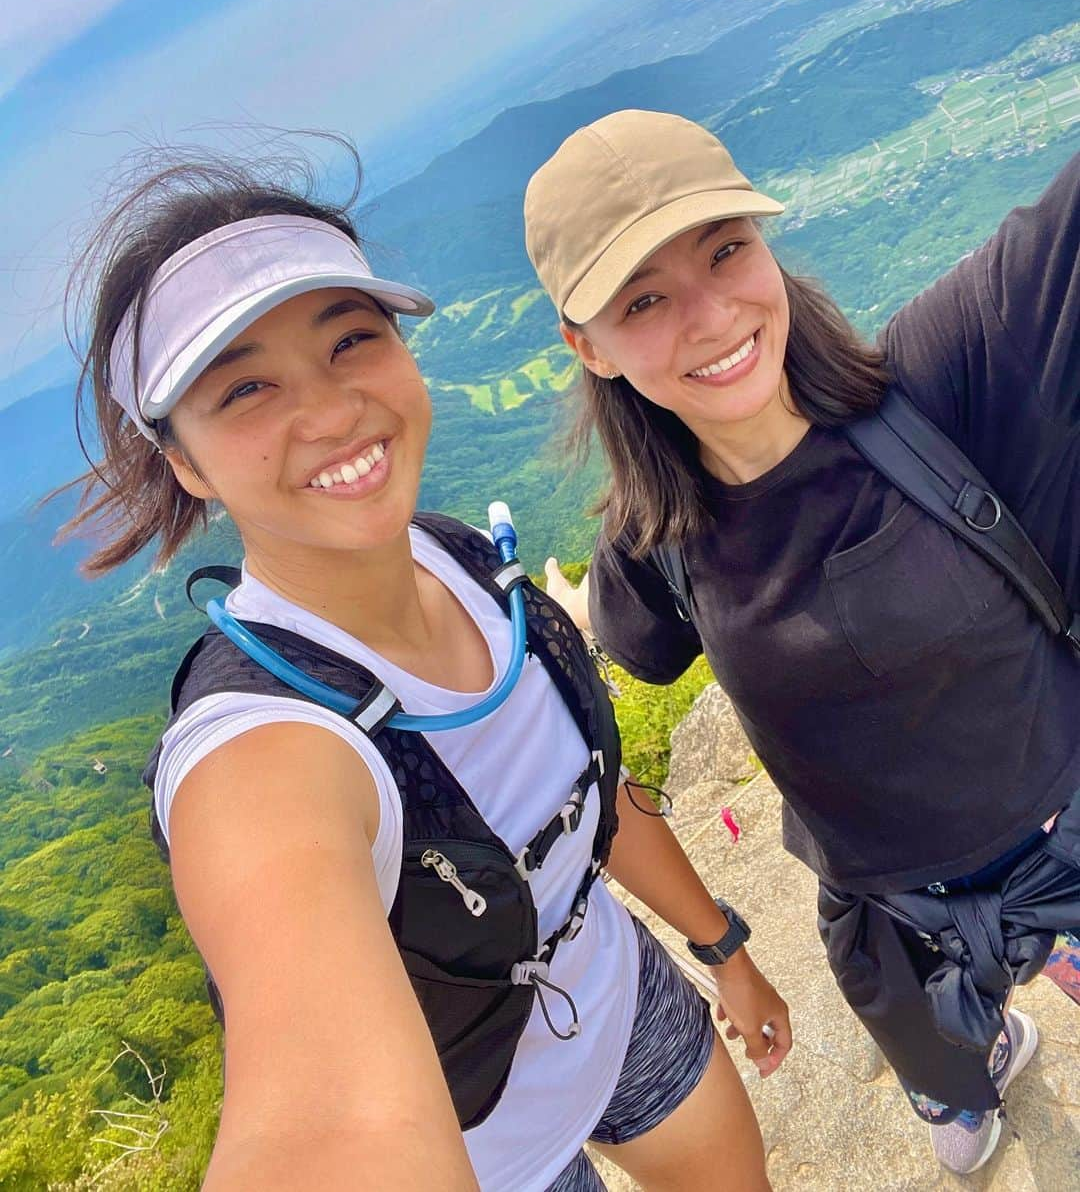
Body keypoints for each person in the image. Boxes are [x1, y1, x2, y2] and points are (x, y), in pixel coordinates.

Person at [61, 148, 792, 1192]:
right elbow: (328, 1133)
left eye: (351, 339)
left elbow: (588, 798)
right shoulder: (261, 753)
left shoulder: (456, 559)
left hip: (624, 1001)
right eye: (246, 387)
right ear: (184, 462)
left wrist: (725, 950)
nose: (329, 409)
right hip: (494, 1152)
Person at [524, 109, 1080, 1177]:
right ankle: (981, 1057)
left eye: (725, 249)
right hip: (896, 925)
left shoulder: (946, 378)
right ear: (586, 345)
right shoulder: (655, 537)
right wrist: (570, 607)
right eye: (644, 300)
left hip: (1066, 834)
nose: (710, 314)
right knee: (958, 1118)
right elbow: (634, 643)